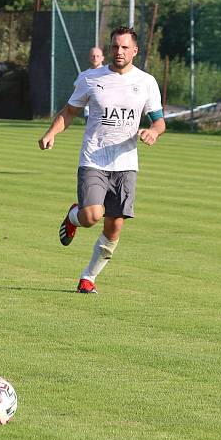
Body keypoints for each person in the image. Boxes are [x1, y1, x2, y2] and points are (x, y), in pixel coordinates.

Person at [38, 26, 166, 294]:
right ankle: (74, 217)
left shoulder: (146, 82)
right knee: (91, 216)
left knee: (114, 226)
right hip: (94, 158)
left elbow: (159, 121)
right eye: (115, 47)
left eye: (124, 47)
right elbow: (70, 111)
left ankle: (89, 277)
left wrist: (153, 132)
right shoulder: (90, 78)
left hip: (126, 163)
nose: (118, 52)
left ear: (135, 51)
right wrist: (52, 132)